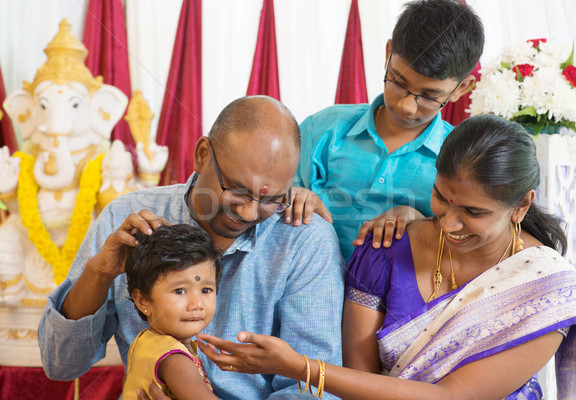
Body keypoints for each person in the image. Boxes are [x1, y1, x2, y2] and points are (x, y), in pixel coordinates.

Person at [195, 115, 576, 399]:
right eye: (442, 198)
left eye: (474, 213)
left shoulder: (546, 288)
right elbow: (361, 382)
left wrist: (299, 367)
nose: (450, 223)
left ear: (522, 206)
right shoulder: (383, 251)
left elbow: (451, 397)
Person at [38, 95, 345, 400]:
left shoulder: (305, 240)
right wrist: (100, 272)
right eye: (237, 192)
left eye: (271, 199)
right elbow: (61, 364)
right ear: (202, 155)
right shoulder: (125, 219)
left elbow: (312, 391)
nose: (250, 214)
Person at [293, 0, 485, 262]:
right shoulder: (322, 129)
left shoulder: (462, 160)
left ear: (461, 88)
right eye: (398, 82)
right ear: (388, 53)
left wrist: (420, 223)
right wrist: (292, 197)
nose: (406, 106)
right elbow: (267, 205)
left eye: (429, 96)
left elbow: (471, 249)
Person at [122, 224, 221, 400]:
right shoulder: (174, 358)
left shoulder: (146, 340)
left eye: (206, 290)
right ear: (143, 300)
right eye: (180, 291)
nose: (196, 304)